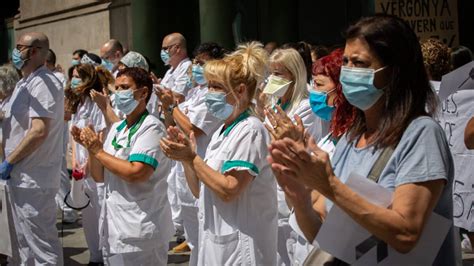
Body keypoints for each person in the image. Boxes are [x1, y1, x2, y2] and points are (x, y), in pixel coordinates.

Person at [269, 15, 457, 265]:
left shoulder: (421, 134)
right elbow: (328, 240)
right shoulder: (352, 138)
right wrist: (300, 196)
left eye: (359, 63)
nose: (348, 72)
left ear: (393, 72)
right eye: (346, 61)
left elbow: (406, 233)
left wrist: (330, 186)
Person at [160, 42, 278, 265]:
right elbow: (199, 190)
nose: (209, 93)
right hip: (216, 244)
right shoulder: (223, 131)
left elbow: (229, 189)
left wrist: (193, 158)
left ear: (241, 90)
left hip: (242, 248)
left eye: (216, 87)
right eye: (209, 86)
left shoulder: (251, 130)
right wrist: (185, 159)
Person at [71, 67, 174, 264]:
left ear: (143, 93)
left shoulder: (152, 127)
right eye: (116, 88)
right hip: (114, 228)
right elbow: (99, 176)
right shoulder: (118, 128)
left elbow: (137, 172)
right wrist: (91, 148)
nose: (119, 93)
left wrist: (99, 151)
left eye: (125, 88)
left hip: (142, 230)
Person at [158, 42, 225, 261]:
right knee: (192, 233)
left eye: (202, 63)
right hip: (184, 166)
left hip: (203, 164)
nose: (196, 67)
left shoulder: (214, 96)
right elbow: (174, 123)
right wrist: (168, 108)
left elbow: (192, 128)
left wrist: (171, 107)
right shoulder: (195, 92)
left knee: (204, 234)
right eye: (196, 62)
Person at [1, 32, 64, 265]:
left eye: (20, 47)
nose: (15, 51)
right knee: (24, 243)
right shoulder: (23, 82)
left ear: (35, 51)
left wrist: (10, 161)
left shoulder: (44, 83)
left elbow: (39, 130)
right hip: (21, 177)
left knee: (42, 246)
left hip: (34, 177)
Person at [261, 47, 327, 265]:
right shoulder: (275, 104)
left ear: (294, 75)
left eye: (279, 74)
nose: (273, 79)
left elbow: (287, 145)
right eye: (271, 73)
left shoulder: (305, 107)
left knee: (294, 252)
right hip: (273, 189)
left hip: (294, 187)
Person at [68, 63, 113, 265]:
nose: (73, 80)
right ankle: (94, 256)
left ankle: (105, 256)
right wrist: (75, 161)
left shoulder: (95, 103)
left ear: (87, 79)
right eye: (73, 76)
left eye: (78, 76)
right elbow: (73, 135)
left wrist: (88, 162)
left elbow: (101, 134)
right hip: (80, 167)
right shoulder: (79, 103)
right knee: (87, 216)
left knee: (100, 212)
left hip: (94, 166)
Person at [159, 32, 192, 238]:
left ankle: (183, 230)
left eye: (166, 48)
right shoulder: (171, 70)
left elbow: (176, 97)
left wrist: (165, 98)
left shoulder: (187, 68)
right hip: (170, 125)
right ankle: (180, 229)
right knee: (173, 182)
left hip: (182, 127)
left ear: (177, 48)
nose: (163, 53)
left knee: (182, 182)